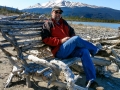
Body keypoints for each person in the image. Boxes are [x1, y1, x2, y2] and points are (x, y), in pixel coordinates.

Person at [41, 6, 100, 89]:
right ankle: (96, 51)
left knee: (85, 51)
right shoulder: (48, 24)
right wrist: (60, 41)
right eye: (56, 12)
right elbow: (45, 39)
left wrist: (71, 41)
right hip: (59, 51)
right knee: (76, 39)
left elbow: (72, 32)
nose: (58, 14)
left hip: (69, 50)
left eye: (60, 12)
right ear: (52, 13)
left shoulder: (63, 22)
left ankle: (91, 80)